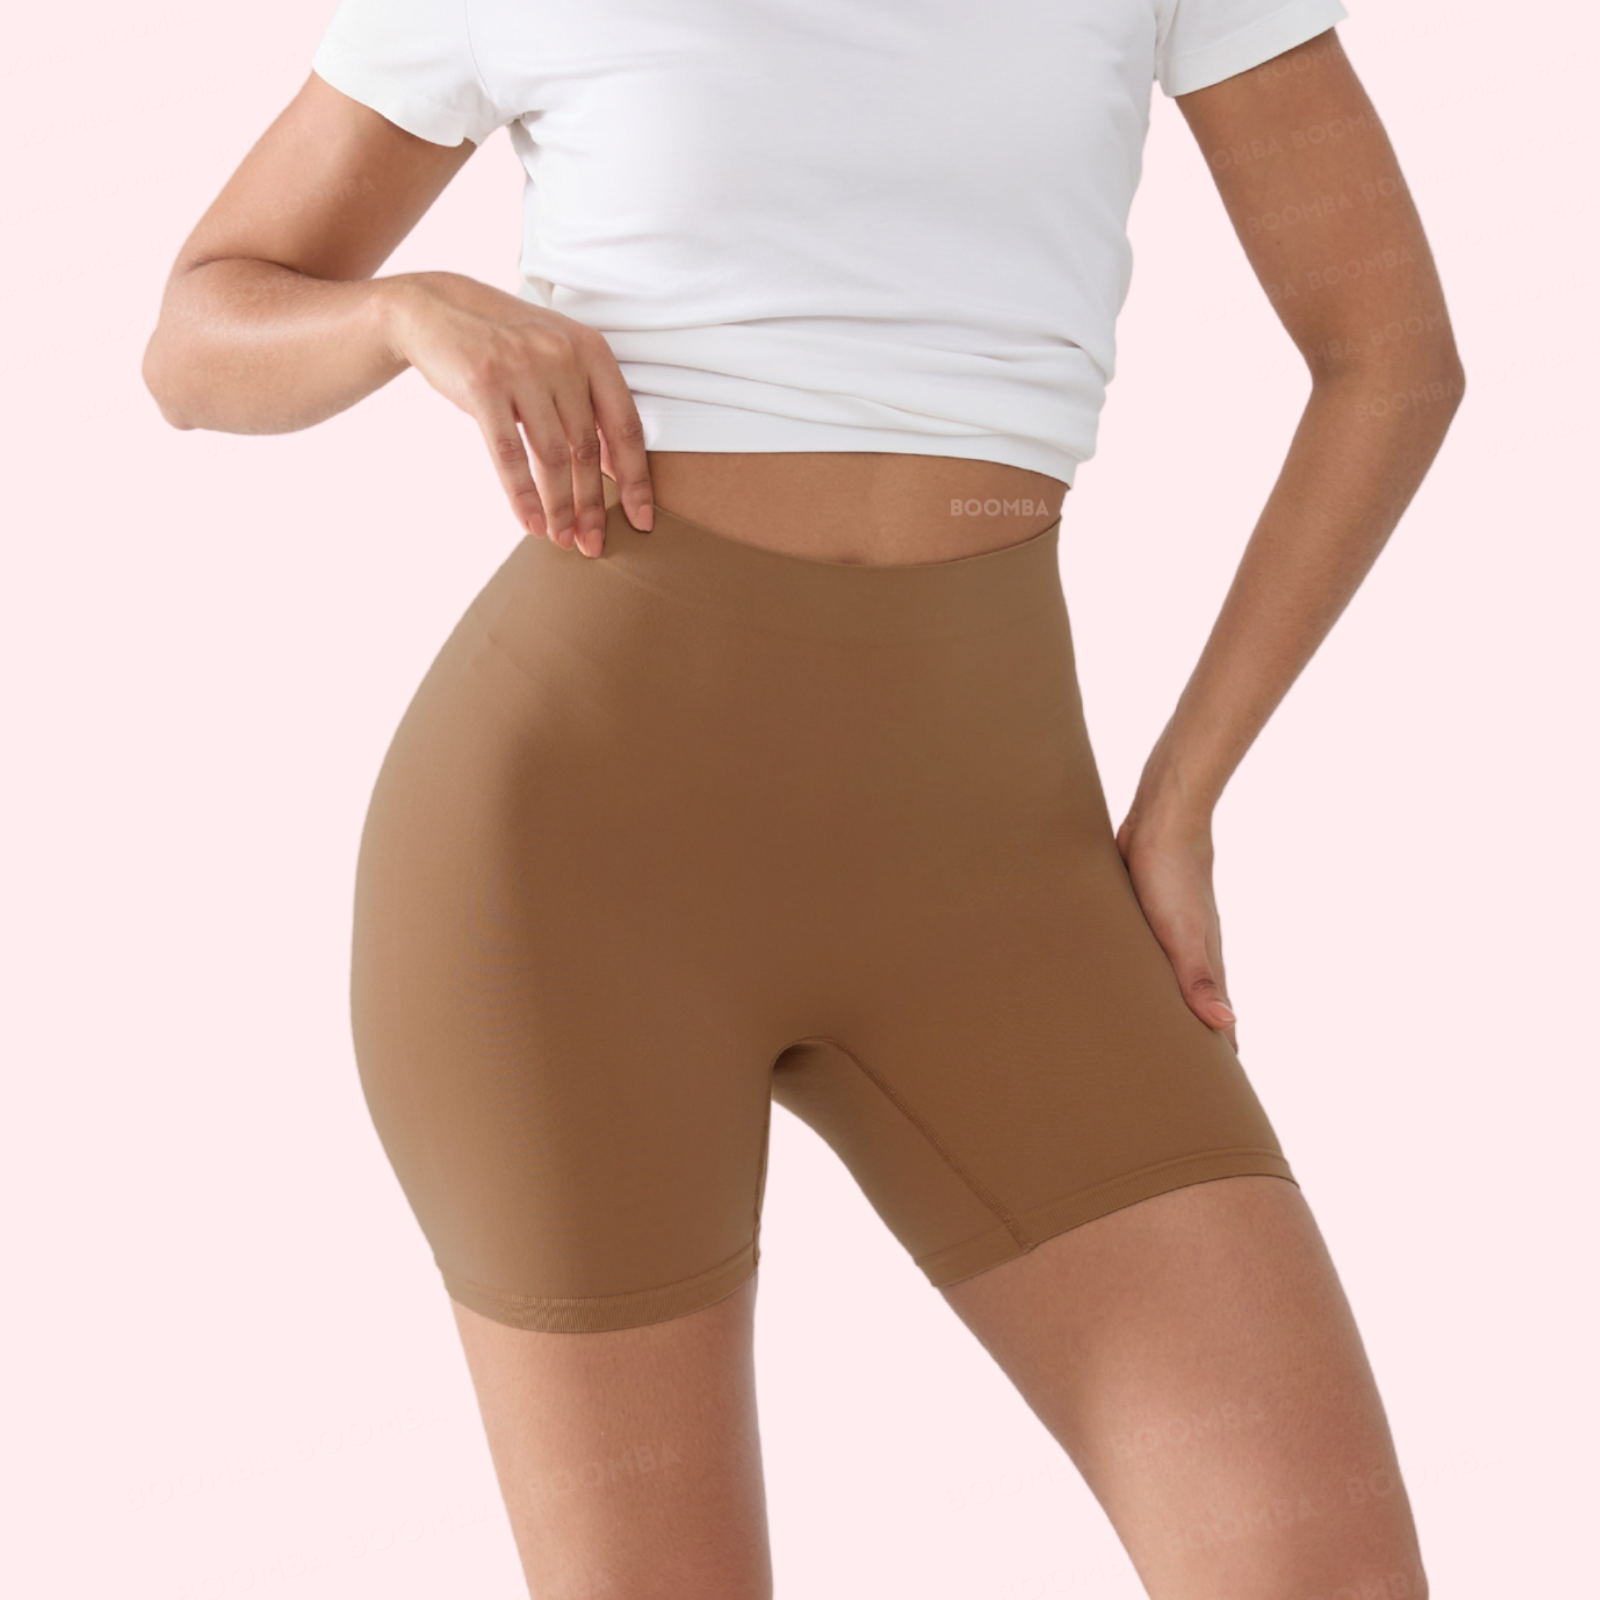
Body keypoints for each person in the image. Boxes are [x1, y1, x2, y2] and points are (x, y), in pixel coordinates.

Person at [141, 0, 1463, 1593]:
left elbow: (1392, 358)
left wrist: (1183, 795)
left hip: (1002, 870)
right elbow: (195, 338)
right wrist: (406, 313)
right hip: (571, 877)